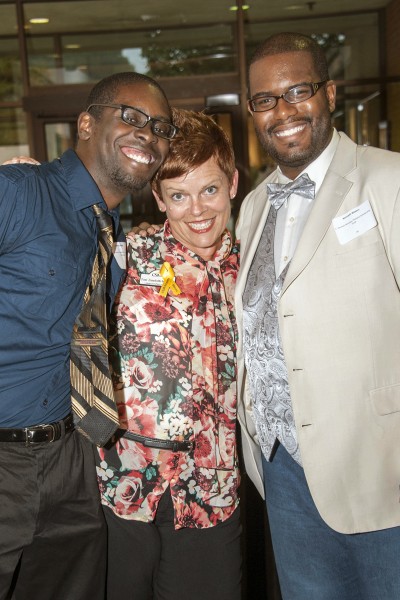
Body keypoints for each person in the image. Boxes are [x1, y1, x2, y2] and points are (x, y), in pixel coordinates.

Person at [235, 31, 400, 599]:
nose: (282, 111)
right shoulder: (254, 206)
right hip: (284, 473)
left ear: (329, 93)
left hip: (381, 468)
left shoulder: (388, 179)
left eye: (297, 90)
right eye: (264, 99)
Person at [0, 71, 175, 600]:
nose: (148, 133)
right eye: (131, 116)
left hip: (72, 457)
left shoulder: (110, 231)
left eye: (160, 126)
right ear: (84, 123)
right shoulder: (19, 192)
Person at [96, 108, 242, 600]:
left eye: (209, 190)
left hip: (211, 492)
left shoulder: (255, 271)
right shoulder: (125, 255)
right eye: (178, 195)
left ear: (233, 184)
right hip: (122, 489)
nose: (197, 210)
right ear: (158, 198)